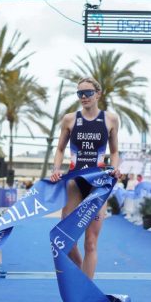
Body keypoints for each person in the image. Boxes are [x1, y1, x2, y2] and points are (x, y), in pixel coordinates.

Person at [50, 77, 121, 279]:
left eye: (88, 93)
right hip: (74, 183)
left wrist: (114, 169)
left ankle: (86, 288)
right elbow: (60, 149)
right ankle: (82, 274)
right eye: (80, 93)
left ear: (98, 94)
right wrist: (56, 169)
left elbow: (115, 152)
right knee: (66, 238)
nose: (84, 97)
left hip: (98, 186)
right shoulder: (70, 119)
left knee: (90, 242)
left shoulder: (110, 119)